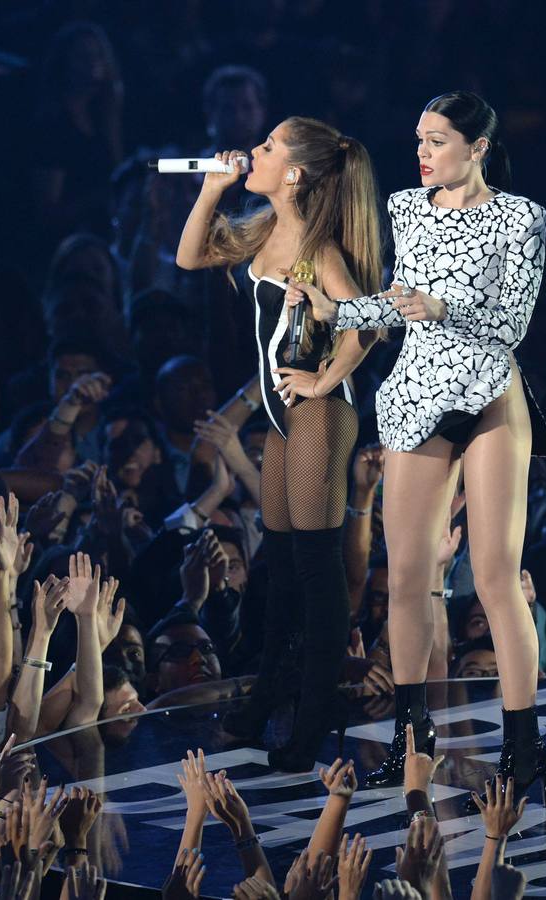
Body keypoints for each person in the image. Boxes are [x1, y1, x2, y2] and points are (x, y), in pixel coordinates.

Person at [288, 91, 546, 794]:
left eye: (437, 141)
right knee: (406, 579)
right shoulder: (406, 208)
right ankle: (413, 742)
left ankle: (524, 746)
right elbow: (400, 305)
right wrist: (338, 309)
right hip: (418, 396)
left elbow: (514, 324)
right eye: (419, 141)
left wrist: (445, 307)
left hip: (490, 393)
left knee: (496, 576)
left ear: (478, 148)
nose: (423, 154)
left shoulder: (520, 218)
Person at [175, 113, 381, 772]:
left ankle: (312, 723)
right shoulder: (263, 232)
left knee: (317, 573)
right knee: (284, 566)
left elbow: (365, 325)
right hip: (286, 420)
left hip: (322, 415)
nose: (252, 151)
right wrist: (212, 188)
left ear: (293, 172)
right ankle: (269, 698)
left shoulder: (319, 252)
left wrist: (324, 380)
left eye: (267, 147)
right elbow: (188, 256)